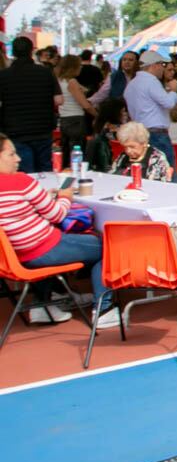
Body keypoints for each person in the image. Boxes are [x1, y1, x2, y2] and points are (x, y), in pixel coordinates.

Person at [0, 133, 121, 328]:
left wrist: (43, 198)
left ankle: (44, 305)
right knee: (109, 247)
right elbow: (57, 215)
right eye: (11, 154)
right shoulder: (20, 181)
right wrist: (65, 197)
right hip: (44, 247)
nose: (18, 159)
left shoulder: (17, 185)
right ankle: (104, 310)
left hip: (17, 253)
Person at [0, 34, 63, 173]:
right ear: (31, 51)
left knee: (25, 172)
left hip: (15, 130)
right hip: (42, 129)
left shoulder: (3, 75)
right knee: (46, 171)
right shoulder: (46, 72)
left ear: (13, 52)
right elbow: (59, 100)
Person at [123, 51, 177, 176]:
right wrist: (173, 91)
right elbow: (168, 103)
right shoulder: (151, 81)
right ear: (154, 65)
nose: (163, 68)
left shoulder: (131, 84)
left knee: (146, 173)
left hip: (140, 133)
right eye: (162, 65)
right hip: (156, 134)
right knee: (167, 173)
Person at [55, 55, 97, 156]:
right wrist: (97, 115)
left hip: (64, 119)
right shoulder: (72, 82)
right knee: (77, 151)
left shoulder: (59, 81)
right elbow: (85, 105)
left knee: (66, 150)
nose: (81, 67)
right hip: (76, 120)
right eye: (79, 65)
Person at [85, 99, 127, 172]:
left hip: (98, 163)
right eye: (123, 111)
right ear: (115, 113)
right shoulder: (116, 129)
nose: (125, 114)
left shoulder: (99, 124)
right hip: (113, 162)